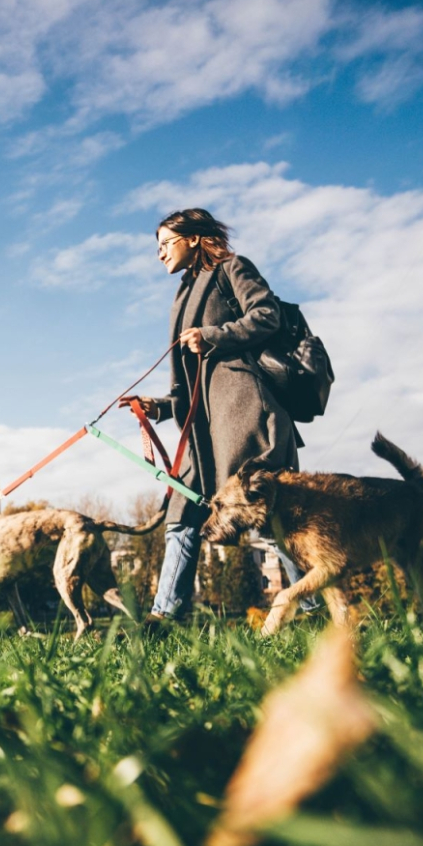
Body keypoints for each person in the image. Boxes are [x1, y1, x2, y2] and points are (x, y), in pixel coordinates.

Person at [121, 208, 300, 621]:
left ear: (195, 238)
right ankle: (163, 618)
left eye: (166, 243)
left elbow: (267, 314)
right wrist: (160, 407)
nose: (160, 253)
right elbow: (190, 384)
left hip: (242, 416)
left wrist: (213, 336)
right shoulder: (182, 293)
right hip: (200, 435)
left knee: (266, 516)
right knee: (181, 519)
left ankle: (311, 606)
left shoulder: (232, 268)